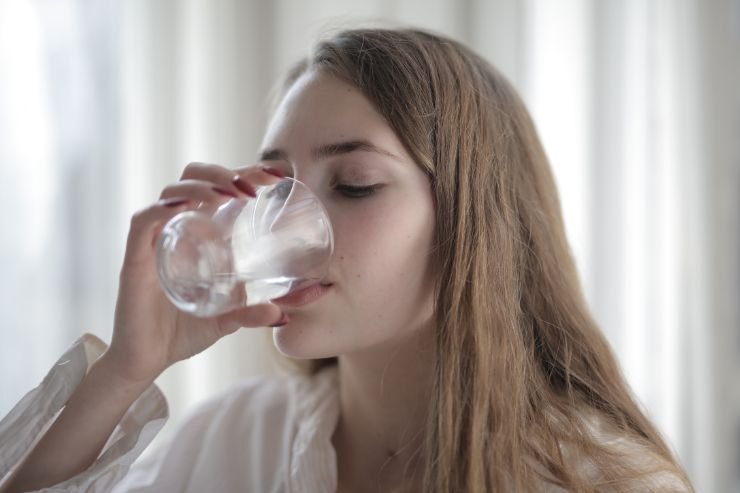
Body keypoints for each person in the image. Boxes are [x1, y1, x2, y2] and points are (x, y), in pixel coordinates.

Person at [0, 28, 693, 492]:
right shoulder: (234, 440)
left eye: (353, 184)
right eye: (274, 189)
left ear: (473, 223)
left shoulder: (600, 480)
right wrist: (125, 370)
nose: (286, 229)